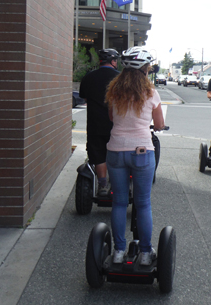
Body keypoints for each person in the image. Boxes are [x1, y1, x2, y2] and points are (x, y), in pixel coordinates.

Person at [105, 47, 166, 265]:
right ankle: (146, 253)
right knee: (142, 204)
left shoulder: (114, 92)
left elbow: (113, 118)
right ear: (144, 69)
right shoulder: (151, 93)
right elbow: (158, 124)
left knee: (119, 202)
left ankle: (119, 251)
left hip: (116, 151)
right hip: (141, 151)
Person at [78, 48, 120, 196]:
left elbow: (84, 98)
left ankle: (102, 185)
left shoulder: (89, 77)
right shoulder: (120, 78)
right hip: (116, 125)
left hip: (95, 124)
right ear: (114, 61)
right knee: (116, 155)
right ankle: (116, 185)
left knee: (98, 155)